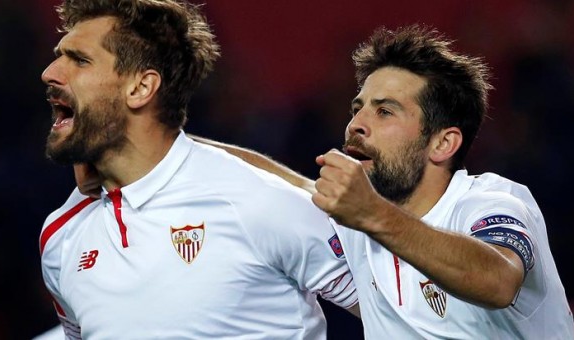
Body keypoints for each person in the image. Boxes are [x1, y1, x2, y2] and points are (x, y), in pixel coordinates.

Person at [77, 25, 574, 338]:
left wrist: (373, 216)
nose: (356, 124)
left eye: (385, 112)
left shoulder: (490, 201)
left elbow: (497, 280)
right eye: (358, 108)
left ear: (442, 144)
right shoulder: (360, 228)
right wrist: (137, 149)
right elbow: (278, 180)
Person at [38, 0, 358, 338]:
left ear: (141, 88)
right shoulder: (61, 236)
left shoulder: (259, 201)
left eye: (80, 60)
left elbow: (398, 318)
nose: (50, 72)